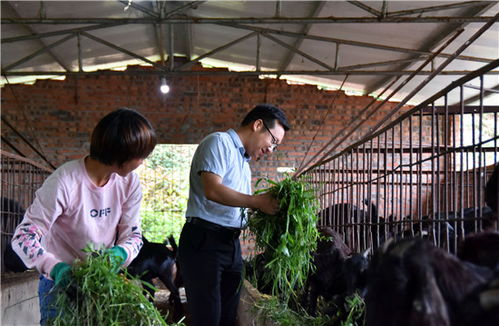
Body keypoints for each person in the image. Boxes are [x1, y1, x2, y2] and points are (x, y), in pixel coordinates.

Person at [11, 108, 157, 325]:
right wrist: (57, 268)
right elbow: (23, 237)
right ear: (121, 155)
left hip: (102, 284)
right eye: (140, 156)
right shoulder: (65, 181)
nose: (142, 162)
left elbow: (134, 235)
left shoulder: (129, 183)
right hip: (59, 287)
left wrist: (119, 253)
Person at [177, 103, 291, 326]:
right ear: (258, 125)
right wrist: (258, 202)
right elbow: (213, 190)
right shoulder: (219, 142)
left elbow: (238, 203)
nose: (271, 150)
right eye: (273, 142)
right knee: (207, 318)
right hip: (204, 240)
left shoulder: (243, 162)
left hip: (230, 243)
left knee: (228, 317)